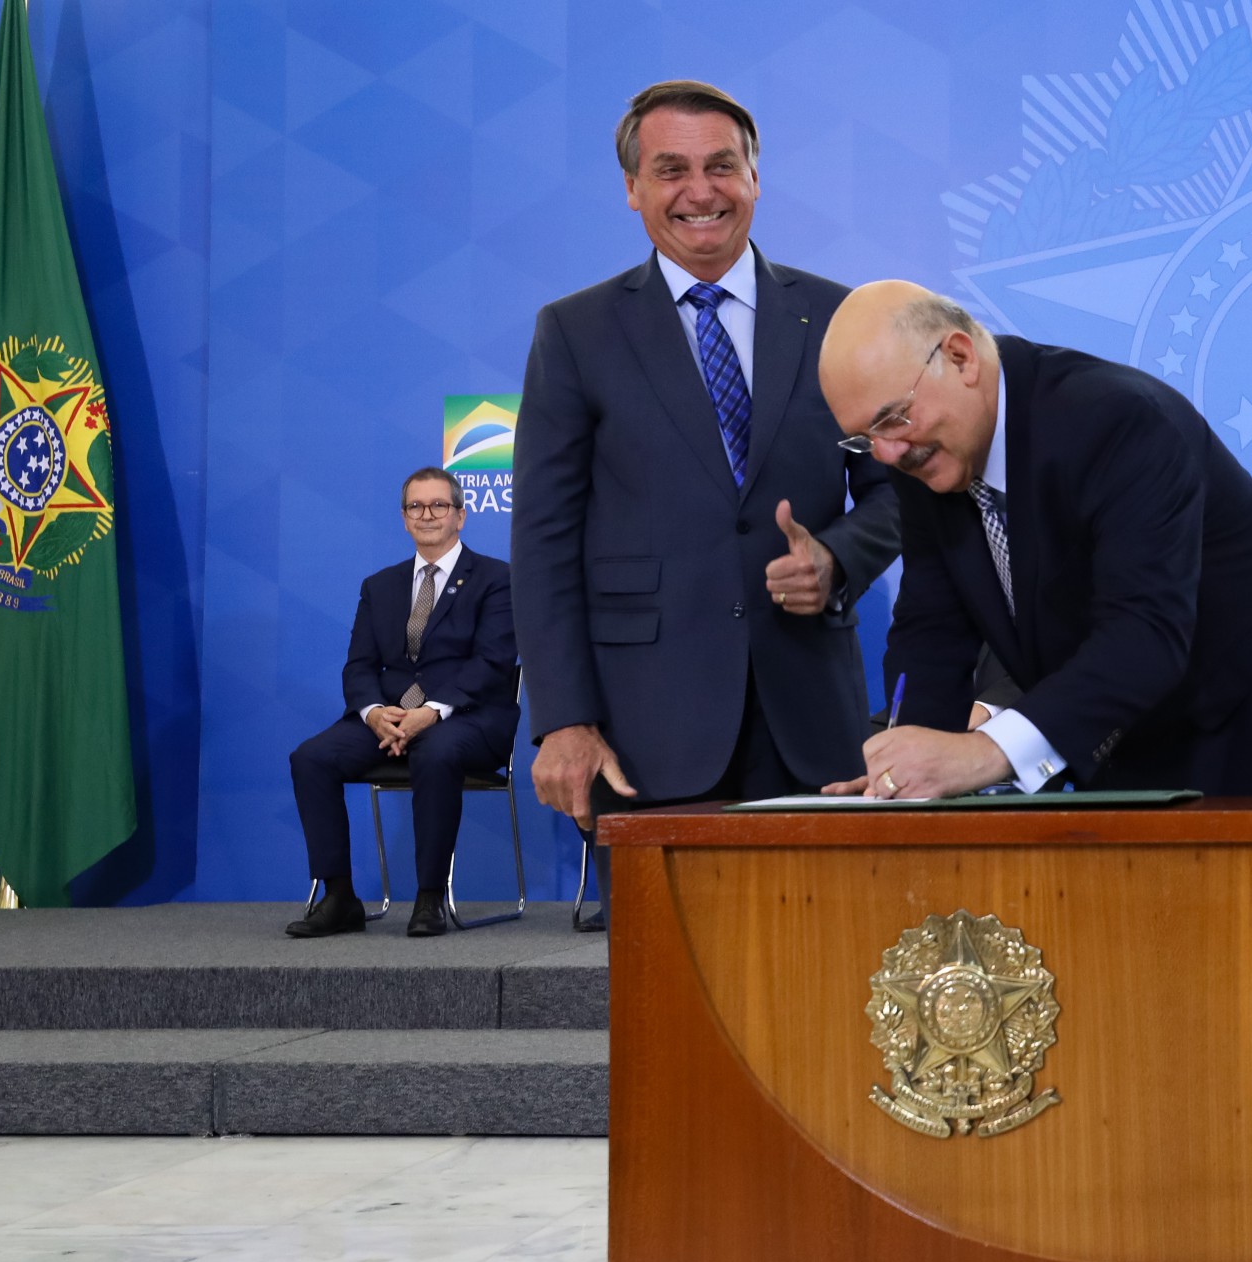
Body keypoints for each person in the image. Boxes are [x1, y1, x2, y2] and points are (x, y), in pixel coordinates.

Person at [510, 81, 899, 912]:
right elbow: (542, 542)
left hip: (813, 724)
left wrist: (838, 557)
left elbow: (902, 495)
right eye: (671, 169)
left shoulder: (839, 316)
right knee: (668, 1004)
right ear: (633, 189)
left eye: (722, 166)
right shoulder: (575, 332)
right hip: (644, 732)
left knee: (828, 981)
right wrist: (562, 720)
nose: (700, 191)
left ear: (755, 177)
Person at [817, 281, 1252, 802]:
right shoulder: (925, 451)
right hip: (1140, 727)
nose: (888, 453)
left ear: (961, 357)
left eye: (892, 419)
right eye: (865, 440)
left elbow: (1144, 633)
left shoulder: (1118, 420)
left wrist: (983, 753)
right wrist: (899, 772)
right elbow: (931, 631)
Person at [286, 468, 520, 939]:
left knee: (435, 752)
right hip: (389, 719)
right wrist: (374, 713)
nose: (427, 515)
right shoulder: (380, 586)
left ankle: (430, 896)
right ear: (403, 518)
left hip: (470, 718)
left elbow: (493, 661)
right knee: (310, 758)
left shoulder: (497, 578)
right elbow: (359, 666)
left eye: (439, 505)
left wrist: (431, 712)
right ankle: (339, 897)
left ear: (461, 516)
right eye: (416, 506)